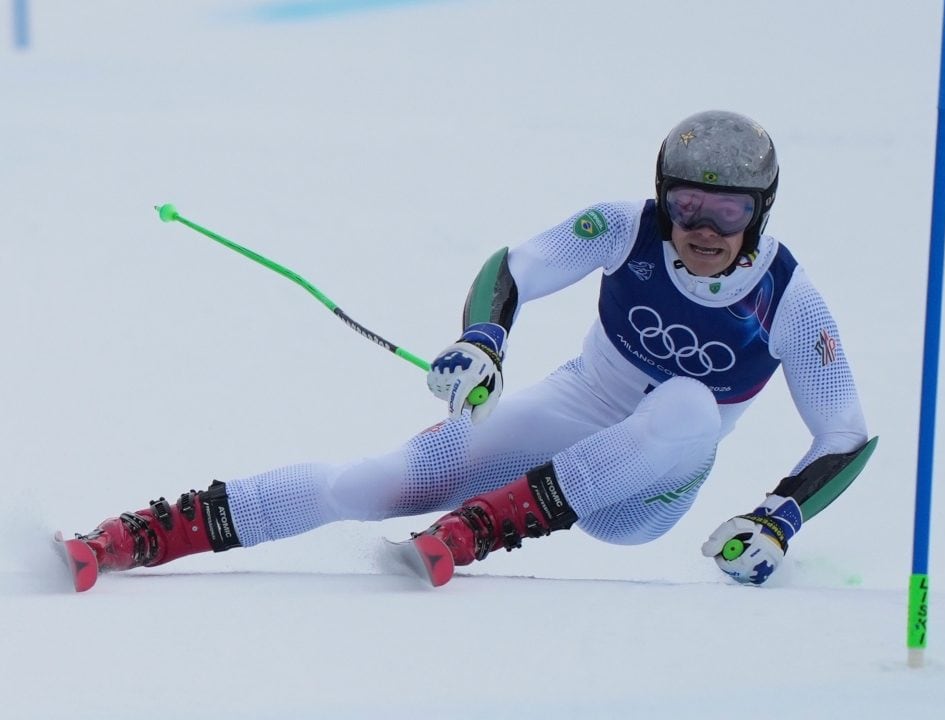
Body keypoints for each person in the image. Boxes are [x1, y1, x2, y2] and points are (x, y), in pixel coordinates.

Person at [67, 110, 872, 587]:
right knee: (388, 479)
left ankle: (478, 530)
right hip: (577, 409)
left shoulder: (790, 298)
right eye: (685, 204)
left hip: (649, 490)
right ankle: (143, 535)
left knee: (690, 402)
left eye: (725, 214)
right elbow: (515, 266)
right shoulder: (626, 226)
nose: (700, 230)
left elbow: (844, 433)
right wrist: (485, 341)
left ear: (758, 214)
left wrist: (777, 520)